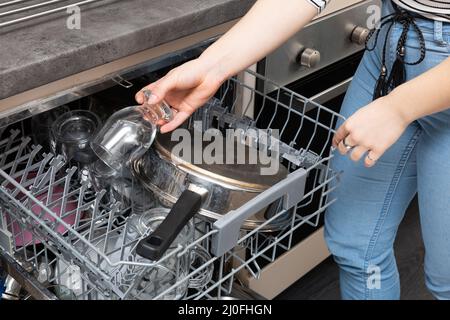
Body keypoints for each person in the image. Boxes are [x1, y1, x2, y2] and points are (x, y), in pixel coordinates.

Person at [136, 0, 450, 300]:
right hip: (391, 46)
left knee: (446, 278)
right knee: (355, 247)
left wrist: (399, 108)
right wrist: (211, 66)